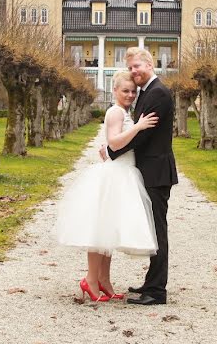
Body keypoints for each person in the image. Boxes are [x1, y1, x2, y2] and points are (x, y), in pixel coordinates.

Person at [53, 71, 159, 303]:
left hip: (124, 172)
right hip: (115, 174)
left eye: (133, 91)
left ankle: (104, 280)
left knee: (108, 231)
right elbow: (114, 142)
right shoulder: (114, 111)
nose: (130, 95)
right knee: (100, 230)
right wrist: (139, 127)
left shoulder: (124, 112)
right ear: (114, 91)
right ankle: (91, 280)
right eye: (125, 91)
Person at [100, 48, 178, 306]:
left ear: (150, 63)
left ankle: (157, 291)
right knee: (153, 228)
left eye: (137, 66)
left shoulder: (158, 93)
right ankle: (151, 282)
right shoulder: (148, 92)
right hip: (149, 169)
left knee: (158, 229)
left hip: (156, 171)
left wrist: (111, 151)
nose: (134, 72)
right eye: (131, 68)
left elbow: (142, 135)